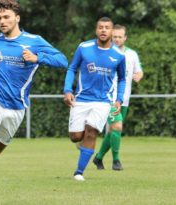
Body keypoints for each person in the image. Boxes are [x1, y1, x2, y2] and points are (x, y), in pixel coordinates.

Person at [0, 0, 68, 204]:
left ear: (17, 18)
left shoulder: (34, 41)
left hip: (16, 107)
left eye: (6, 17)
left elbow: (63, 61)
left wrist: (37, 58)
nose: (2, 21)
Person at [63, 17, 126, 181]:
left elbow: (122, 79)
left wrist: (119, 99)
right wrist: (68, 89)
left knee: (91, 132)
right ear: (96, 30)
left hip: (103, 102)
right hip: (81, 99)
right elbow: (72, 68)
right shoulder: (84, 48)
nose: (103, 30)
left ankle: (79, 172)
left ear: (112, 31)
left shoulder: (118, 55)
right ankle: (82, 144)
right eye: (100, 27)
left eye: (107, 27)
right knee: (75, 137)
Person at [92, 24, 143, 171]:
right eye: (115, 36)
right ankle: (116, 161)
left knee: (114, 130)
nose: (117, 39)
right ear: (111, 37)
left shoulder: (132, 54)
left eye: (120, 36)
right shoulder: (105, 53)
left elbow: (139, 71)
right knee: (117, 127)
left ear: (125, 38)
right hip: (110, 98)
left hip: (124, 98)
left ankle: (99, 158)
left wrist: (138, 76)